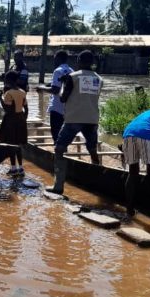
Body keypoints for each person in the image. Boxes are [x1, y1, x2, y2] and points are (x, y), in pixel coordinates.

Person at [47, 50, 102, 194]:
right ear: (92, 62)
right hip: (92, 119)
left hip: (74, 119)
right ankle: (98, 183)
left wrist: (64, 83)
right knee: (93, 151)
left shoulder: (73, 77)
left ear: (78, 60)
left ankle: (58, 186)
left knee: (59, 149)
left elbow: (63, 98)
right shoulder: (99, 79)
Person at [37, 50, 73, 142]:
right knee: (64, 134)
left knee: (56, 134)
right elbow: (63, 84)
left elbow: (55, 90)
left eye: (55, 59)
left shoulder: (57, 71)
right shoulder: (72, 71)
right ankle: (63, 148)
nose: (54, 61)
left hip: (57, 108)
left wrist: (42, 88)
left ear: (58, 59)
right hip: (68, 108)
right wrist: (48, 85)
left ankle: (58, 149)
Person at [0, 70, 28, 175]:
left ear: (8, 80)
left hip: (11, 120)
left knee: (11, 145)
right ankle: (21, 168)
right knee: (18, 145)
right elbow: (26, 109)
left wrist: (0, 98)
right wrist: (24, 119)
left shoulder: (8, 93)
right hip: (21, 119)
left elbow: (7, 109)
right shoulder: (22, 92)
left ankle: (13, 168)